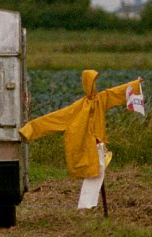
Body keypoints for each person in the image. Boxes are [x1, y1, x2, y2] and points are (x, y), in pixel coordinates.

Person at [18, 69, 142, 209]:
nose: (94, 86)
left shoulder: (101, 99)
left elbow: (117, 92)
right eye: (92, 83)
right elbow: (51, 120)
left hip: (99, 144)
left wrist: (135, 84)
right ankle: (86, 205)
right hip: (85, 146)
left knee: (97, 172)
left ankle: (87, 205)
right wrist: (29, 130)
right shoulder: (77, 108)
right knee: (95, 173)